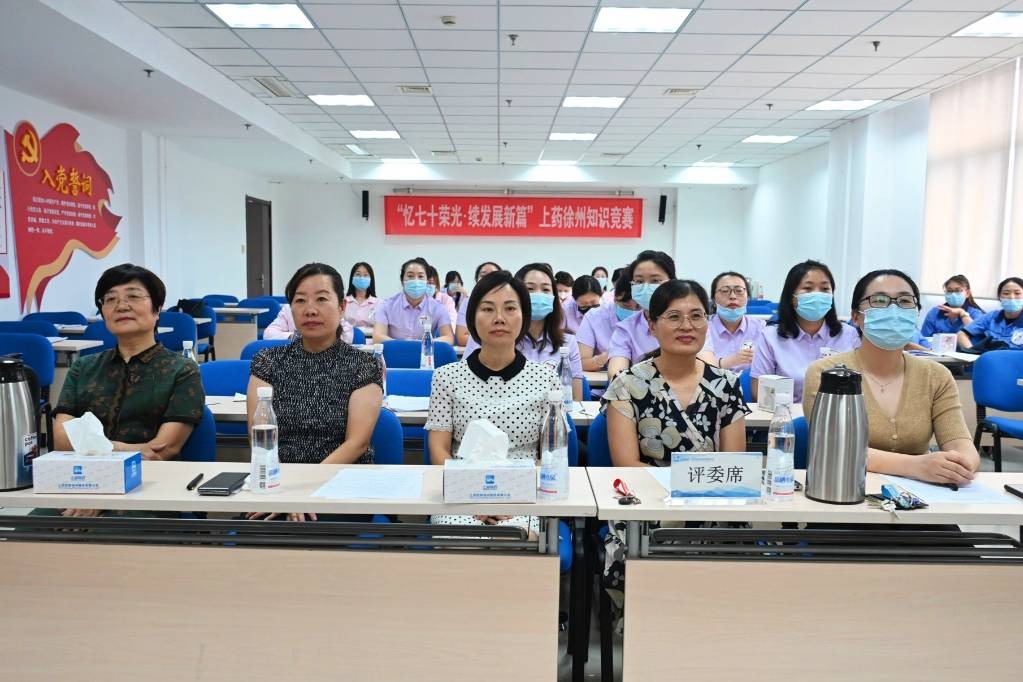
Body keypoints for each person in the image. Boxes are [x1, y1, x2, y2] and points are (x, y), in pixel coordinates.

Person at [50, 263, 205, 518]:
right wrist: (125, 449)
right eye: (110, 299)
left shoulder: (182, 370)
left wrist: (104, 487)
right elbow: (62, 440)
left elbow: (161, 450)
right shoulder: (83, 367)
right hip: (79, 482)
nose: (121, 306)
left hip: (150, 489)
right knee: (25, 528)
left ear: (157, 309)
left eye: (133, 296)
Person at [804, 269, 978, 485]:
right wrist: (916, 466)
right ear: (856, 316)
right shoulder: (826, 373)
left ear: (915, 314)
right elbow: (836, 448)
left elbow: (960, 443)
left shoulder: (936, 376)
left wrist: (962, 463)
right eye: (879, 300)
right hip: (844, 489)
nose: (893, 309)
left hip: (921, 495)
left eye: (905, 301)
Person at [426, 270, 560, 536]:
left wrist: (508, 493)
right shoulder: (446, 377)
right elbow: (439, 449)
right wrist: (474, 493)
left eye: (510, 308)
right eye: (488, 309)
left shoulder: (546, 378)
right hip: (462, 491)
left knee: (516, 538)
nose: (499, 318)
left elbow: (550, 453)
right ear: (472, 318)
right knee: (462, 540)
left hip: (524, 493)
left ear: (523, 316)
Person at [247, 263, 383, 521]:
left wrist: (301, 493)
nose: (310, 309)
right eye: (300, 300)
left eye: (321, 299)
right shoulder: (267, 362)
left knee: (312, 534)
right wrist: (282, 491)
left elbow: (357, 443)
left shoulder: (364, 365)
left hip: (341, 485)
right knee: (255, 534)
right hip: (276, 484)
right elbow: (260, 440)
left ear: (342, 307)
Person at [601, 279, 750, 466]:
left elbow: (734, 464)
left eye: (696, 316)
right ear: (652, 326)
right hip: (645, 484)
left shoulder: (726, 384)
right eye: (673, 317)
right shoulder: (626, 385)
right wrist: (684, 480)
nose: (686, 326)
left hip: (712, 484)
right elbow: (627, 465)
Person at [461, 263, 584, 399]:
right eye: (530, 289)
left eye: (546, 289)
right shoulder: (493, 336)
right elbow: (466, 385)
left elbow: (575, 399)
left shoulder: (568, 342)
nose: (538, 294)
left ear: (554, 297)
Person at [750, 260, 860, 401]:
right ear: (791, 297)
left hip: (837, 412)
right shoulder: (770, 337)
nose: (817, 295)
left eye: (825, 289)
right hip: (787, 413)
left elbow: (862, 386)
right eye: (808, 289)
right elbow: (759, 391)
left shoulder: (849, 335)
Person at [607, 250, 715, 378]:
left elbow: (709, 371)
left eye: (655, 280)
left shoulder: (694, 323)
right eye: (639, 281)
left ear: (672, 282)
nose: (646, 287)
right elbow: (616, 375)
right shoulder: (626, 328)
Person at [374, 257, 454, 343]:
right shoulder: (387, 306)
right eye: (410, 276)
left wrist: (421, 345)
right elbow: (378, 337)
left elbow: (449, 338)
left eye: (420, 276)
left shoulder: (438, 308)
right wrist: (405, 346)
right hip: (395, 351)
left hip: (424, 351)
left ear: (427, 281)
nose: (416, 280)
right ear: (402, 280)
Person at [578, 275, 640, 373]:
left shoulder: (653, 318)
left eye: (638, 307)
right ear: (615, 298)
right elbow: (581, 362)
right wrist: (608, 357)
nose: (632, 311)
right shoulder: (594, 317)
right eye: (626, 306)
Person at [708, 271, 765, 372]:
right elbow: (695, 365)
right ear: (714, 299)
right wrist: (727, 362)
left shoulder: (760, 328)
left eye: (739, 291)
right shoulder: (703, 328)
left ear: (748, 297)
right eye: (725, 291)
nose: (733, 296)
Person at [958, 277, 1023, 351]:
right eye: (1006, 293)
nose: (1011, 297)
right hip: (988, 357)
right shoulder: (991, 317)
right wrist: (971, 352)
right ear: (999, 297)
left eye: (1017, 293)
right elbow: (962, 334)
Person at [920, 274, 983, 338]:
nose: (953, 294)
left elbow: (977, 335)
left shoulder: (975, 313)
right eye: (949, 291)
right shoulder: (935, 312)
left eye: (957, 291)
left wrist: (962, 312)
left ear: (967, 293)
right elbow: (923, 338)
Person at [455, 261, 502, 346]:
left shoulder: (509, 303)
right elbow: (461, 338)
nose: (488, 279)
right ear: (477, 281)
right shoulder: (467, 303)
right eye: (483, 275)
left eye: (493, 275)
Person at [264, 304, 354, 343]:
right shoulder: (289, 309)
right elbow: (268, 333)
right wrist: (292, 336)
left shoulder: (331, 309)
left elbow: (347, 336)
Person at [343, 261, 379, 334]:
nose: (361, 278)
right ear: (352, 278)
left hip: (371, 339)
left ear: (371, 279)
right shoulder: (343, 301)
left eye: (365, 275)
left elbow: (381, 327)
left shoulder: (379, 303)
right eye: (358, 274)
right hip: (348, 339)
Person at [427, 264, 458, 328]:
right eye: (424, 283)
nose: (427, 286)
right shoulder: (415, 301)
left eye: (430, 283)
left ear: (436, 284)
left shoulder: (446, 299)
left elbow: (452, 323)